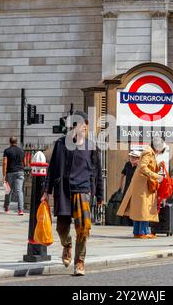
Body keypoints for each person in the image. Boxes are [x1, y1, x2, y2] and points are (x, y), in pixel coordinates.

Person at [42, 110, 103, 276]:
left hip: (83, 190)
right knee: (62, 228)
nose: (80, 127)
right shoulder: (61, 144)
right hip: (63, 190)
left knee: (83, 229)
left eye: (83, 124)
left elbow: (97, 174)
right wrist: (46, 191)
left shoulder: (92, 147)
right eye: (76, 124)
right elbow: (52, 169)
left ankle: (80, 262)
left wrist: (100, 196)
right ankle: (67, 245)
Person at [117, 136, 166, 239]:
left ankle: (138, 232)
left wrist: (158, 167)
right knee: (144, 208)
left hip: (141, 183)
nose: (160, 151)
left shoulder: (149, 152)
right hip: (143, 184)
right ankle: (143, 232)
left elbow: (147, 166)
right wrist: (156, 176)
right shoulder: (148, 152)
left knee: (139, 208)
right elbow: (143, 167)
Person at [117, 150, 141, 226]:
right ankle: (126, 222)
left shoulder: (140, 166)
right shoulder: (127, 164)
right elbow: (123, 174)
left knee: (134, 205)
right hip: (127, 188)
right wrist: (120, 185)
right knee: (126, 205)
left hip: (136, 189)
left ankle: (134, 222)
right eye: (131, 157)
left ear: (138, 158)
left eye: (134, 157)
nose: (132, 159)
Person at [3, 136, 25, 215]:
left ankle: (6, 207)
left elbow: (5, 163)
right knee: (19, 191)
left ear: (10, 142)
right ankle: (20, 210)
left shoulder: (7, 151)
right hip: (20, 172)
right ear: (16, 142)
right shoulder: (21, 151)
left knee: (8, 190)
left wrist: (4, 174)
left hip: (10, 173)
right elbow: (24, 161)